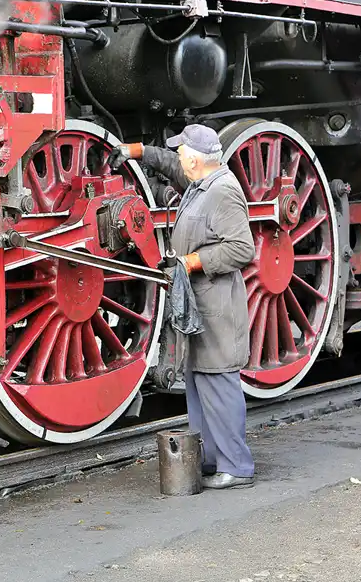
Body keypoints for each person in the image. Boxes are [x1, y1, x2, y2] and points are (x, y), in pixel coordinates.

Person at [111, 125, 257, 490]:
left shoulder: (223, 192)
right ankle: (208, 459)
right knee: (197, 383)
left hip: (217, 305)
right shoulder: (200, 180)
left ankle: (237, 467)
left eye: (181, 154)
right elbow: (170, 166)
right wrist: (139, 150)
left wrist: (192, 261)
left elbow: (242, 249)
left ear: (195, 159)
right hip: (197, 304)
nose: (178, 159)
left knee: (220, 383)